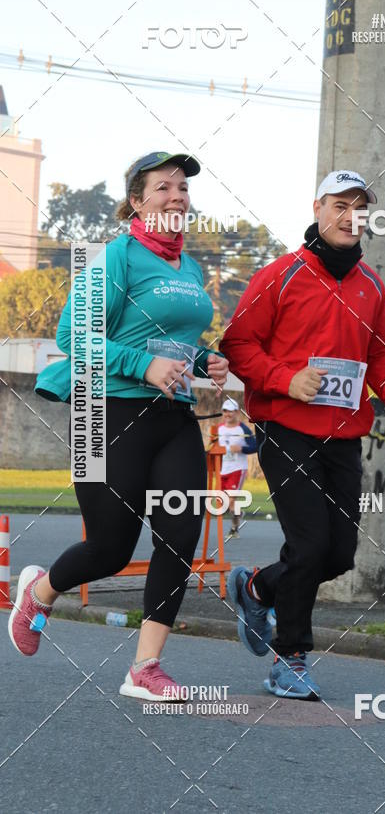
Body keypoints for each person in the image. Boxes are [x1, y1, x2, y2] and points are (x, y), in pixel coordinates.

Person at [8, 151, 229, 700]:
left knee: (180, 534)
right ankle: (39, 590)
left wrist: (203, 362)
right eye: (164, 188)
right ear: (137, 201)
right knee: (110, 545)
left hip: (172, 414)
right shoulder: (115, 257)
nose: (177, 196)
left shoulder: (190, 268)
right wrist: (143, 366)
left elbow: (169, 339)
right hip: (102, 412)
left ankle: (145, 669)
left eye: (183, 189)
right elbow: (72, 338)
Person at [220, 169, 385, 700]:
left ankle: (256, 586)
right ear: (318, 208)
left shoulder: (371, 287)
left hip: (343, 434)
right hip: (285, 427)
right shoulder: (280, 275)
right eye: (339, 205)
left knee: (338, 554)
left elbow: (380, 358)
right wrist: (286, 379)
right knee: (311, 544)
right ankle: (289, 660)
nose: (349, 216)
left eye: (359, 207)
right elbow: (239, 345)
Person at [217, 398, 257, 538]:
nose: (228, 414)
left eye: (231, 411)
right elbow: (213, 446)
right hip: (222, 469)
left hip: (237, 469)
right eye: (225, 411)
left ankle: (234, 529)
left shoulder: (242, 429)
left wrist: (241, 448)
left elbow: (255, 446)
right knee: (222, 502)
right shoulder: (219, 429)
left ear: (236, 413)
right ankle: (238, 514)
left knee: (231, 500)